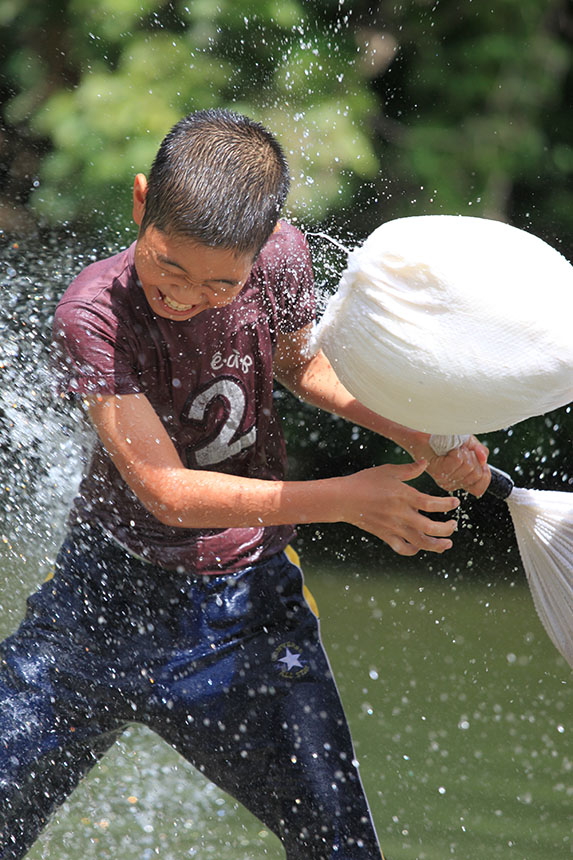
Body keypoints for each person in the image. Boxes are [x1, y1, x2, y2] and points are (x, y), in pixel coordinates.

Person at [0, 108, 490, 860]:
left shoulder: (283, 259)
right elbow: (166, 489)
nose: (186, 296)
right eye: (169, 266)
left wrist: (420, 433)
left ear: (262, 251)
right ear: (140, 204)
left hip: (246, 610)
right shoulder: (92, 311)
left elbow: (301, 365)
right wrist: (348, 499)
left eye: (220, 283)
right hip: (93, 610)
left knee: (339, 846)